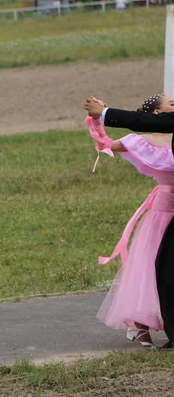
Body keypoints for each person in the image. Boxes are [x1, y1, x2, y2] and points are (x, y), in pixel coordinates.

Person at [85, 94, 174, 349]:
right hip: (161, 215)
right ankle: (140, 323)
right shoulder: (143, 140)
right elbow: (106, 144)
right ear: (157, 114)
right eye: (171, 104)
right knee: (150, 269)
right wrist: (97, 121)